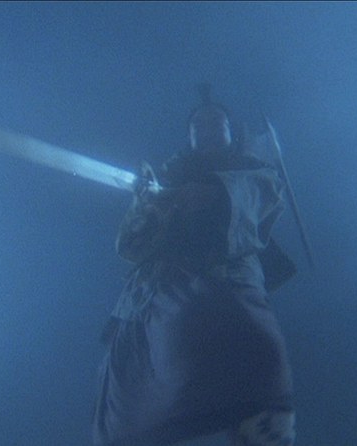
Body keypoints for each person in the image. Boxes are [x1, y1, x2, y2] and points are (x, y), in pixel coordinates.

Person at [93, 86, 297, 446]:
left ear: (230, 130)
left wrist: (216, 193)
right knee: (133, 393)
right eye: (199, 125)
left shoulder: (251, 171)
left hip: (225, 280)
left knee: (258, 355)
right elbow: (131, 245)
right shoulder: (166, 178)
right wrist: (148, 203)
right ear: (189, 135)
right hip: (156, 291)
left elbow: (263, 194)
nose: (208, 130)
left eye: (217, 123)